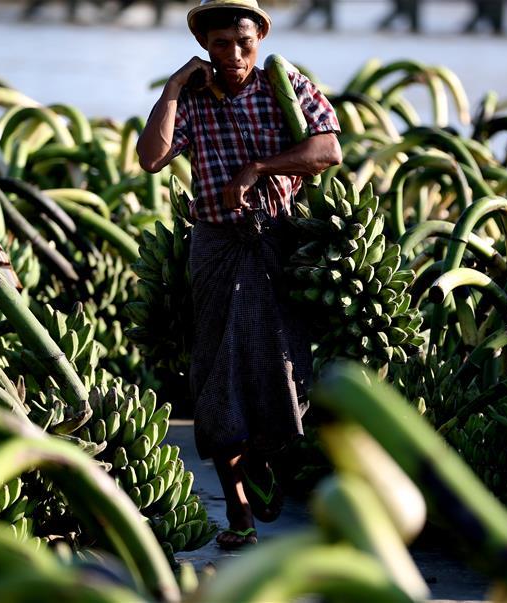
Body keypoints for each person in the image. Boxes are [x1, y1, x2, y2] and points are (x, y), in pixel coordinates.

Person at [137, 0, 342, 550]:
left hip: (277, 243)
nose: (232, 55)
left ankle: (262, 459)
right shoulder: (195, 99)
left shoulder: (284, 84)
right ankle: (239, 516)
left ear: (259, 40)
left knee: (281, 370)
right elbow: (151, 158)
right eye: (220, 44)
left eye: (243, 43)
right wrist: (177, 85)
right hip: (216, 248)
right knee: (217, 376)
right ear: (205, 45)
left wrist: (260, 168)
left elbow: (328, 148)